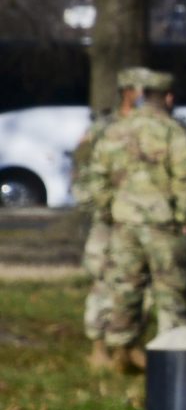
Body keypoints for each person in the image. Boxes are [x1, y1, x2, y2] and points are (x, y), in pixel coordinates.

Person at [85, 67, 186, 374]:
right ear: (168, 97)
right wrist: (184, 217)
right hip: (163, 225)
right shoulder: (171, 130)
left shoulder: (117, 129)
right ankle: (174, 357)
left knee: (124, 289)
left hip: (123, 223)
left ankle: (121, 351)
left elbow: (97, 174)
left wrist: (109, 209)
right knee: (171, 289)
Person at [71, 103, 114, 351]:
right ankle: (99, 344)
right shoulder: (91, 142)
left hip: (124, 221)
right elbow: (83, 190)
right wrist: (103, 207)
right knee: (102, 280)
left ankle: (122, 344)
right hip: (104, 223)